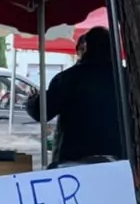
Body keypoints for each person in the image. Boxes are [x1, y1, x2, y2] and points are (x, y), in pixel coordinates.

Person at [23, 25, 123, 164]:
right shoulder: (126, 77)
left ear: (85, 48)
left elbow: (42, 111)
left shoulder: (68, 79)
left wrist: (32, 101)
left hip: (74, 160)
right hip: (120, 158)